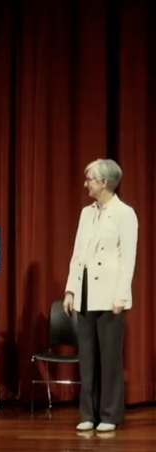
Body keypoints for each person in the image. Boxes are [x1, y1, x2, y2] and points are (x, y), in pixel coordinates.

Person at [63, 159, 138, 433]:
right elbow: (77, 254)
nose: (86, 184)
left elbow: (128, 258)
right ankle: (88, 413)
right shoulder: (86, 213)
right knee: (88, 358)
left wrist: (121, 294)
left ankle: (109, 414)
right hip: (85, 294)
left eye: (90, 179)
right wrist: (70, 289)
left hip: (110, 296)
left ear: (104, 182)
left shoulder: (124, 213)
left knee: (109, 358)